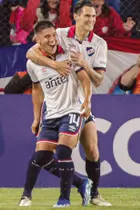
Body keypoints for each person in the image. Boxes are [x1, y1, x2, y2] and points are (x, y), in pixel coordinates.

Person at [25, 0, 111, 206]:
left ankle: (94, 194)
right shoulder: (61, 34)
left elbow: (98, 80)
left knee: (92, 150)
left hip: (82, 102)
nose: (92, 19)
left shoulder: (99, 43)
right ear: (76, 16)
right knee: (51, 153)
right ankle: (78, 186)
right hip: (60, 106)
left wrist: (84, 65)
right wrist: (54, 64)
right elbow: (31, 53)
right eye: (87, 15)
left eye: (94, 16)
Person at [18, 20, 92, 207]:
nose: (52, 40)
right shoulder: (32, 64)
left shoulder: (69, 52)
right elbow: (37, 90)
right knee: (41, 157)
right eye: (47, 36)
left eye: (54, 35)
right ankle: (26, 196)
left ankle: (64, 199)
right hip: (51, 114)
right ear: (37, 40)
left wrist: (86, 101)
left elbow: (85, 80)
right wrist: (36, 118)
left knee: (63, 149)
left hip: (73, 109)